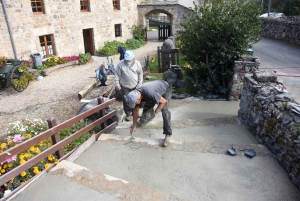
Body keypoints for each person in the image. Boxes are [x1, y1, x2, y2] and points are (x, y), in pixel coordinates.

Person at [126, 80, 172, 147]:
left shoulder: (149, 93)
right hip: (153, 90)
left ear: (138, 99)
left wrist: (155, 113)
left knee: (165, 111)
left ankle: (168, 134)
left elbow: (163, 101)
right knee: (147, 106)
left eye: (135, 103)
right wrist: (134, 126)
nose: (135, 105)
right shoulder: (134, 95)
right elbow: (135, 111)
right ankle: (142, 121)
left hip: (165, 88)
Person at [114, 50, 143, 121]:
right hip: (124, 86)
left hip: (135, 86)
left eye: (129, 59)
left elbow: (140, 73)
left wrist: (140, 83)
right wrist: (117, 84)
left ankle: (135, 113)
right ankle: (128, 114)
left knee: (136, 100)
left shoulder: (137, 63)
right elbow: (116, 74)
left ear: (133, 57)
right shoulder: (120, 64)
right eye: (127, 59)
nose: (128, 60)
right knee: (126, 100)